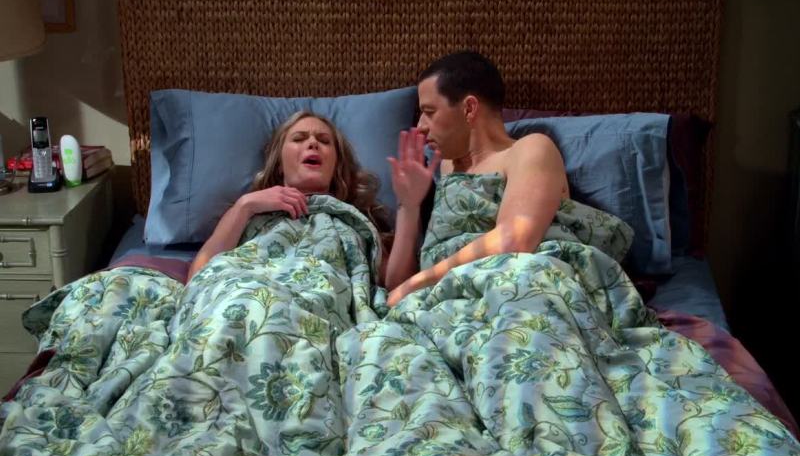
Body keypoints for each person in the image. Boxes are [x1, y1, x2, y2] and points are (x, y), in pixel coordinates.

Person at [386, 51, 570, 306]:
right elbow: (396, 287)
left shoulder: (530, 149)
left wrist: (420, 282)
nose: (420, 126)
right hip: (445, 301)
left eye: (429, 111)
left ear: (469, 108)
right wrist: (409, 205)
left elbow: (514, 240)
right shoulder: (446, 168)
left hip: (515, 290)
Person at [187, 111, 395, 281]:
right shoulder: (248, 212)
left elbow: (394, 284)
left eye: (324, 141)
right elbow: (198, 278)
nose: (313, 143)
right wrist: (245, 205)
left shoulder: (355, 222)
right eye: (299, 139)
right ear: (279, 164)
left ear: (337, 166)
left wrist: (407, 207)